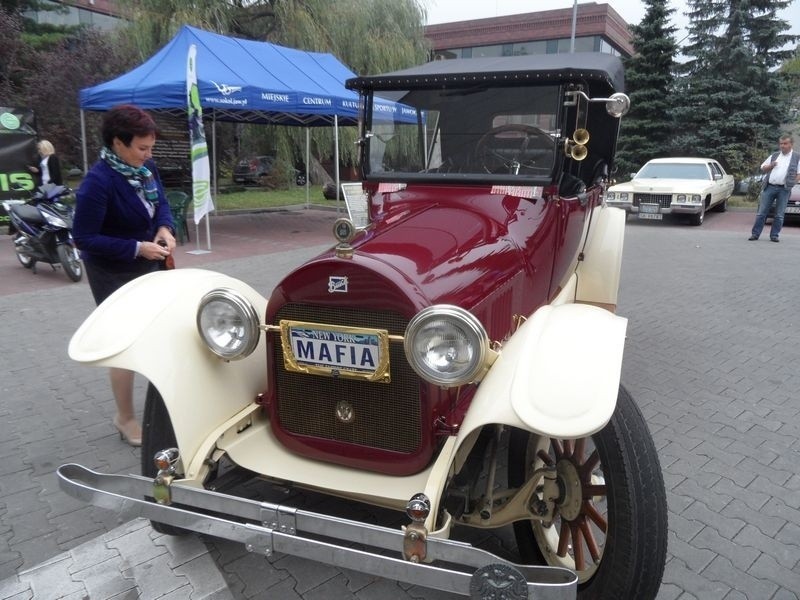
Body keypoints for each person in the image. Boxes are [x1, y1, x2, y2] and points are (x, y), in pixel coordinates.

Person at [72, 104, 176, 447]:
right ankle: (125, 418)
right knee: (126, 344)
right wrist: (136, 247)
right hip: (112, 270)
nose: (148, 156)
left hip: (148, 261)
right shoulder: (97, 183)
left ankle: (167, 408)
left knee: (158, 336)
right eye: (142, 148)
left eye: (151, 149)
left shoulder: (147, 169)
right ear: (118, 143)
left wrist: (164, 228)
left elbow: (161, 203)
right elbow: (84, 238)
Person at [749, 134, 800, 242]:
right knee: (762, 213)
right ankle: (755, 234)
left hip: (784, 189)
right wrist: (771, 165)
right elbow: (763, 168)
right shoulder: (775, 155)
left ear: (791, 144)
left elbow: (799, 173)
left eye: (785, 143)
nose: (782, 146)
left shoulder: (796, 157)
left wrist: (792, 183)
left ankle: (774, 235)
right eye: (781, 143)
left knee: (779, 214)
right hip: (769, 187)